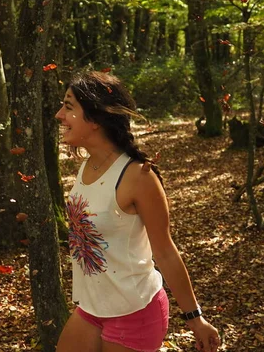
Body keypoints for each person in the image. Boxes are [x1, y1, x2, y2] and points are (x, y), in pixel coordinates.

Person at [54, 71, 220, 352]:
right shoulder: (87, 167)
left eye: (69, 106)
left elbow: (165, 252)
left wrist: (195, 318)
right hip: (92, 307)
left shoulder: (138, 177)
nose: (60, 114)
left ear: (94, 118)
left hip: (135, 311)